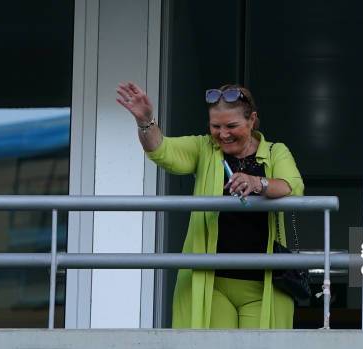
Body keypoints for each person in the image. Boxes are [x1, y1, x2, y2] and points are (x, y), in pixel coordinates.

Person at [116, 82, 304, 329]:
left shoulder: (276, 151)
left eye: (231, 126)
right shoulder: (205, 148)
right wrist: (146, 121)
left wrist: (257, 183)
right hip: (212, 282)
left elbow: (292, 187)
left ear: (252, 120)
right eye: (216, 126)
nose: (223, 134)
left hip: (264, 283)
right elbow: (162, 150)